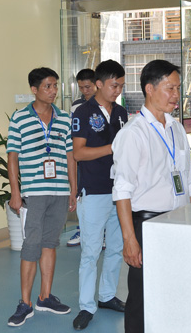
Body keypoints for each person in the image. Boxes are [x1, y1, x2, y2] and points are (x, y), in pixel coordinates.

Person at [112, 60, 191, 333]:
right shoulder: (133, 133)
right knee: (142, 297)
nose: (176, 95)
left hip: (179, 220)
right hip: (147, 224)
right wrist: (130, 240)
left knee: (175, 291)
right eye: (170, 88)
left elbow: (188, 181)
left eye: (178, 88)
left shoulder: (176, 129)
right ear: (150, 89)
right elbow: (122, 190)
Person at [6, 67, 77, 327]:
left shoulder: (64, 118)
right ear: (34, 89)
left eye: (55, 85)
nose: (53, 90)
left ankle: (45, 297)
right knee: (31, 246)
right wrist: (15, 192)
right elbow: (12, 157)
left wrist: (73, 189)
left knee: (50, 244)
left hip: (59, 192)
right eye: (48, 86)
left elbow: (70, 156)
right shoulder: (19, 118)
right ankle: (25, 303)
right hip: (33, 193)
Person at [70, 60, 128, 330]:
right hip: (93, 191)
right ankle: (86, 306)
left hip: (120, 191)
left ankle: (106, 296)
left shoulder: (122, 113)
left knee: (116, 248)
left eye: (121, 86)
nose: (118, 90)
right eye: (114, 85)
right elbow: (78, 153)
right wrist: (112, 148)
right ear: (99, 84)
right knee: (91, 252)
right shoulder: (83, 112)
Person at [68, 68, 97, 247]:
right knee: (81, 194)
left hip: (100, 157)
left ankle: (102, 233)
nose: (85, 91)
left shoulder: (106, 104)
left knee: (100, 197)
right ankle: (81, 229)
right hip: (81, 157)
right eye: (81, 87)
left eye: (88, 87)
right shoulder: (76, 106)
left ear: (96, 84)